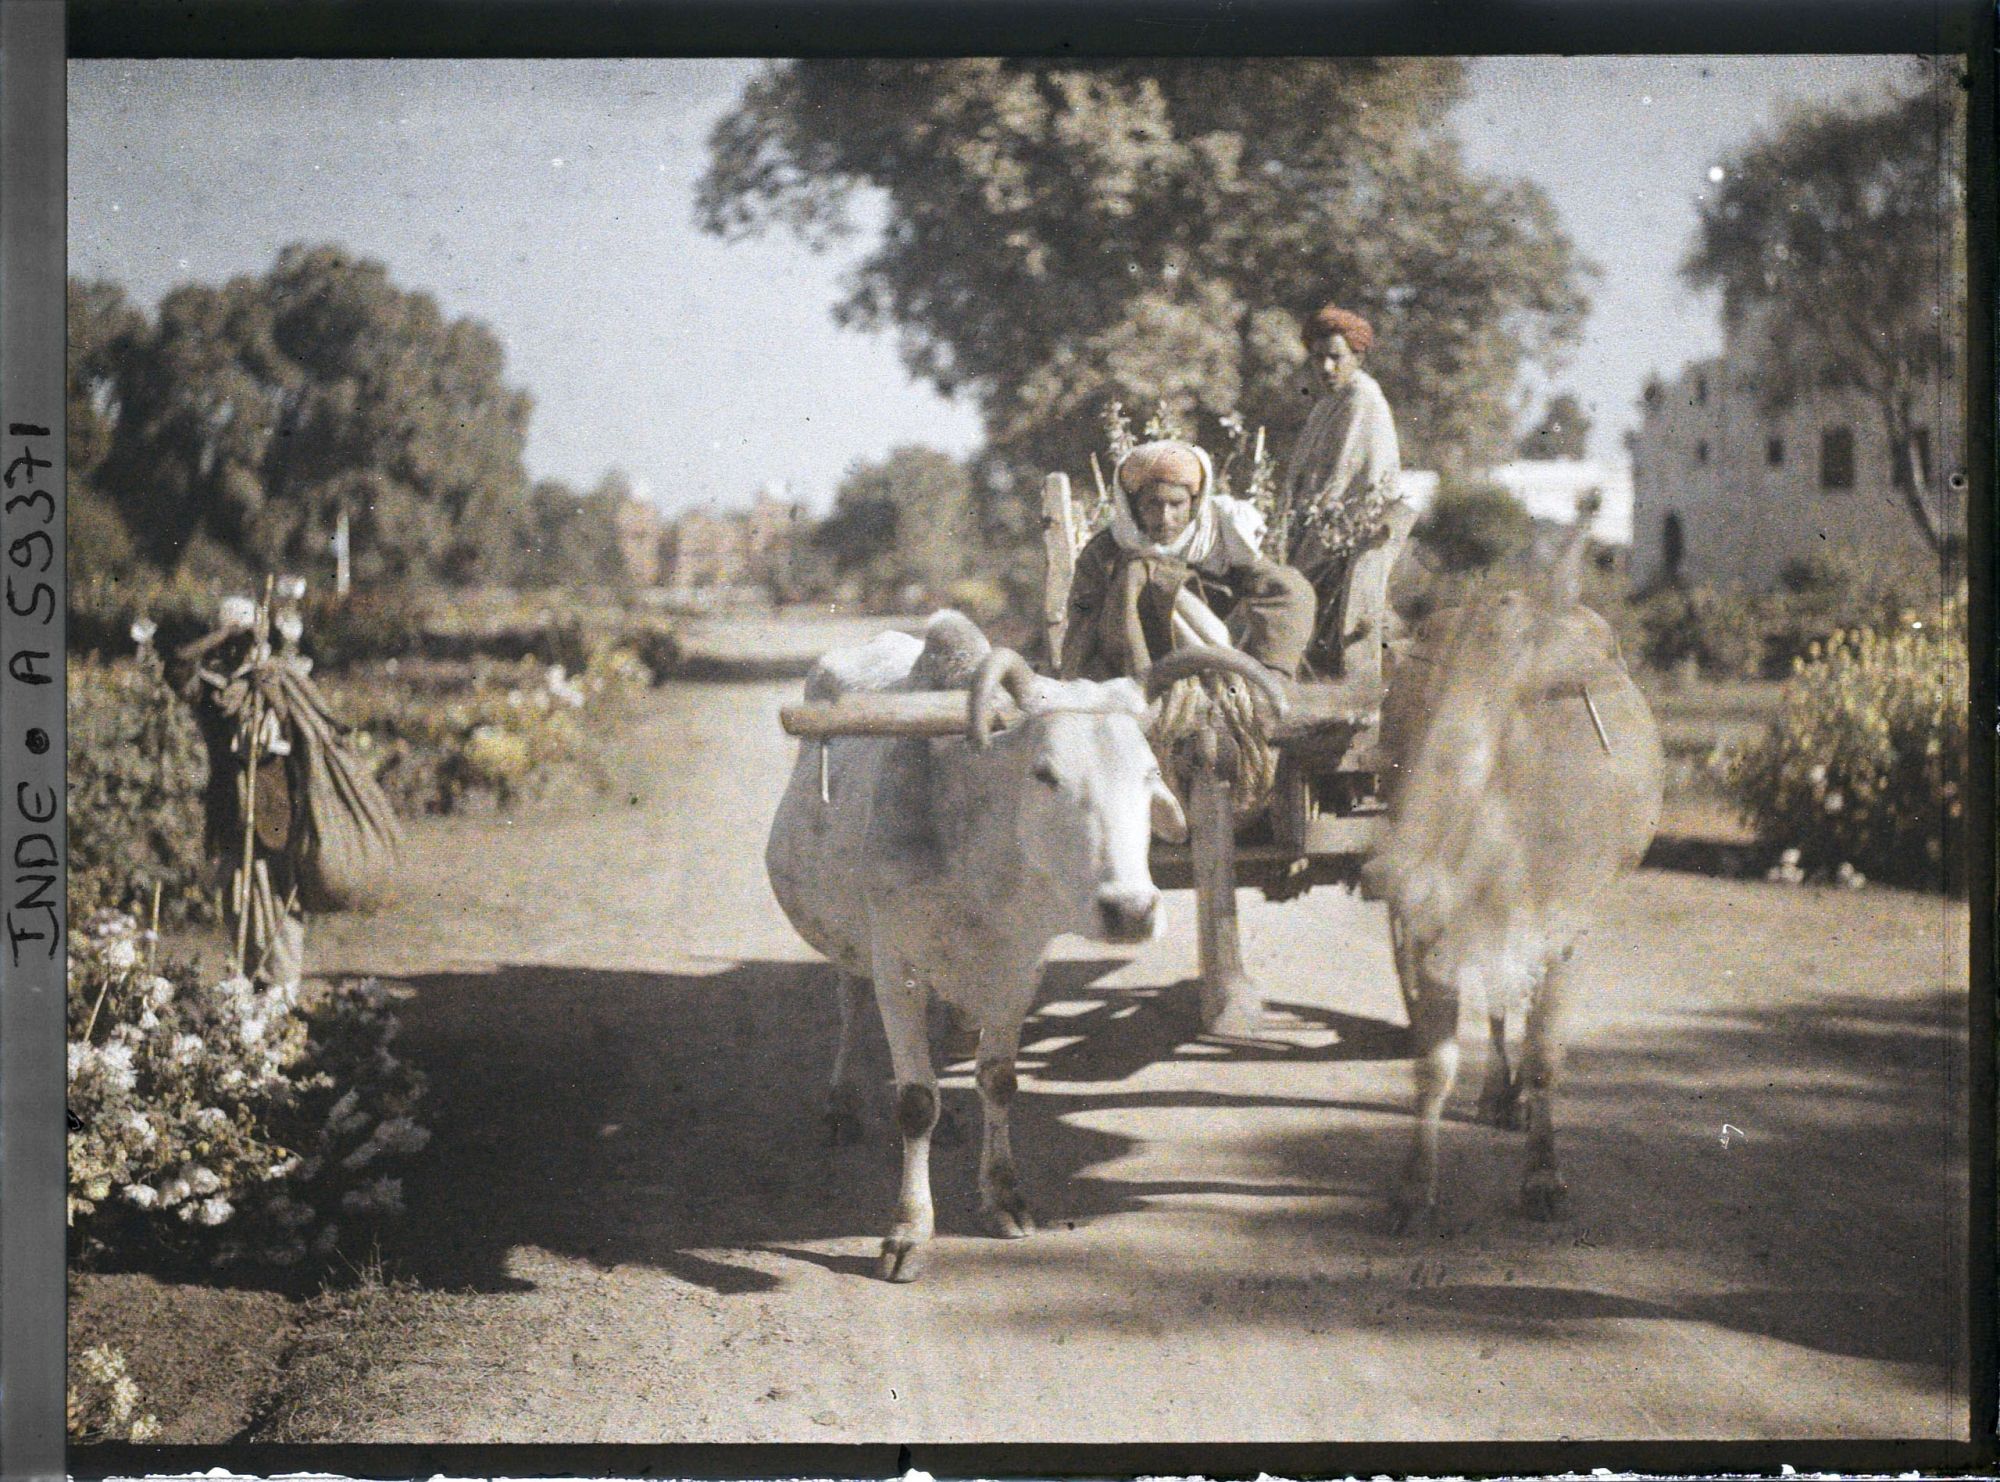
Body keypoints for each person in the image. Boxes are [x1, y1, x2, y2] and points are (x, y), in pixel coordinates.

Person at [1060, 438, 1317, 683]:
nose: (1164, 517)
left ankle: (1255, 685)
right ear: (1133, 504)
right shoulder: (1106, 549)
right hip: (1134, 663)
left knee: (1290, 583)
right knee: (1139, 571)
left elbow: (1281, 590)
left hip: (1219, 650)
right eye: (1152, 504)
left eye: (1176, 504)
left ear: (1194, 503)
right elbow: (1083, 625)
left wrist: (1270, 673)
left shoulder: (1221, 535)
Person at [1280, 303, 1416, 675]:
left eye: (1336, 357)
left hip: (1342, 542)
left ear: (1357, 356)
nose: (1326, 367)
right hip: (1317, 534)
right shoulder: (1328, 403)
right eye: (1318, 357)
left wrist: (1294, 546)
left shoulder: (1361, 399)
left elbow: (1340, 482)